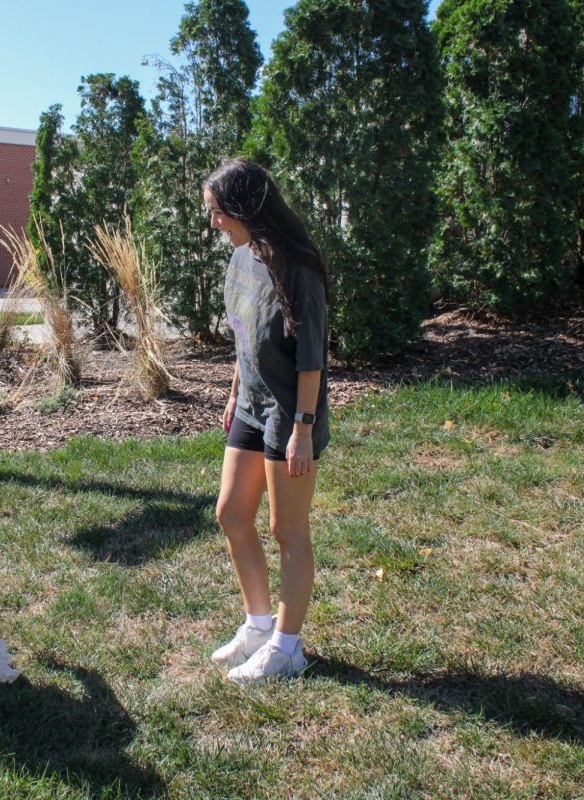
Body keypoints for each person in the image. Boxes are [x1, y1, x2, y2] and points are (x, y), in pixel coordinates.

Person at [204, 158, 330, 685]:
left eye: (216, 212)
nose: (213, 223)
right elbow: (242, 333)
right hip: (252, 405)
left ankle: (288, 647)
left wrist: (302, 428)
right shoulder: (242, 256)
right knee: (232, 513)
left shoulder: (298, 267)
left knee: (287, 530)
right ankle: (259, 625)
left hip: (290, 414)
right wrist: (234, 393)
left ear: (242, 209)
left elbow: (311, 357)